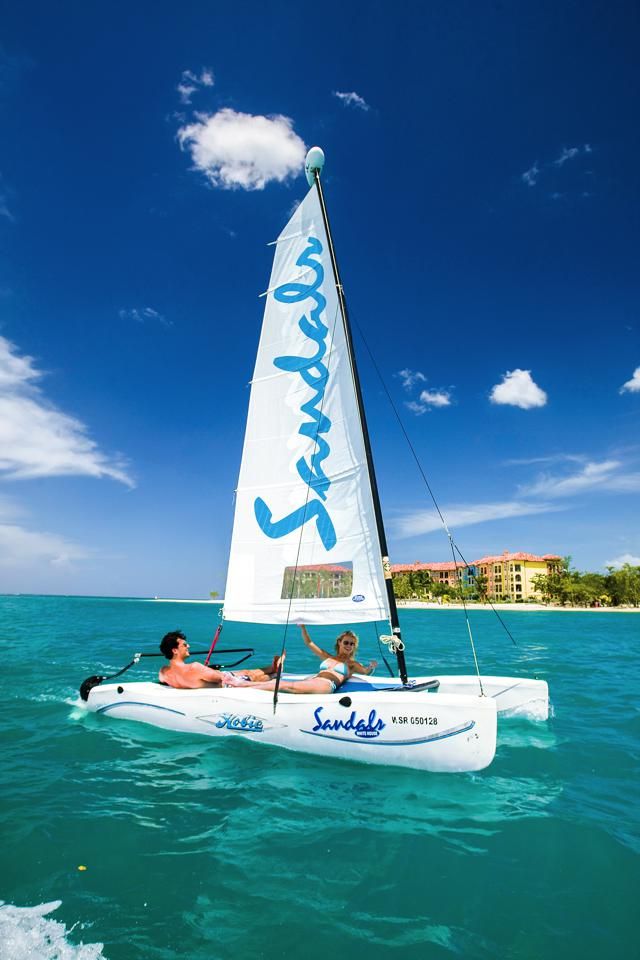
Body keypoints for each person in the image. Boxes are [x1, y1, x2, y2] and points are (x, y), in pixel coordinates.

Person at [224, 625, 377, 694]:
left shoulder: (351, 664)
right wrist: (303, 628)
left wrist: (371, 666)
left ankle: (242, 686)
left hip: (326, 685)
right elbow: (309, 643)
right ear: (339, 643)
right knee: (279, 683)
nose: (349, 646)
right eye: (346, 642)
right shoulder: (329, 657)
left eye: (352, 643)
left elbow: (365, 671)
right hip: (315, 680)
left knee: (286, 686)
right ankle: (244, 684)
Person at [158, 631, 279, 689]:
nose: (188, 646)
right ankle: (274, 673)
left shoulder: (163, 672)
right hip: (227, 684)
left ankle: (272, 668)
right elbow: (220, 678)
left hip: (203, 680)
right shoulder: (194, 667)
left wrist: (205, 670)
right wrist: (206, 669)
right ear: (174, 650)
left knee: (246, 671)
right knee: (251, 675)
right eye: (184, 645)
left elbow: (168, 679)